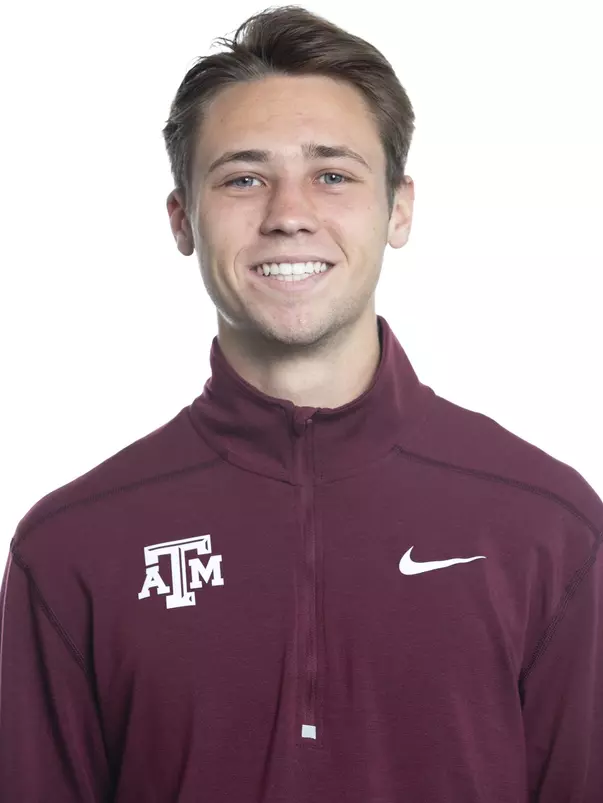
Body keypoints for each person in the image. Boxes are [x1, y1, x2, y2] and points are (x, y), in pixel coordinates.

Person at [1, 5, 601, 801]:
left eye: (333, 174)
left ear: (398, 208)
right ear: (182, 218)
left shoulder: (545, 522)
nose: (288, 214)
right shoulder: (72, 547)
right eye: (243, 178)